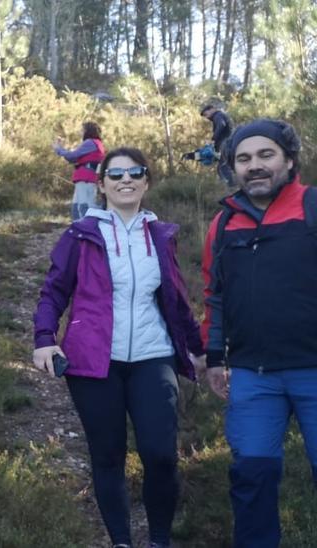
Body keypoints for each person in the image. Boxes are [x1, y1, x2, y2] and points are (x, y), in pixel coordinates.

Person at [33, 147, 206, 548]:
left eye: (135, 173)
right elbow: (53, 292)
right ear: (103, 185)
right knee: (108, 455)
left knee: (160, 455)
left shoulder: (160, 236)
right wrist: (44, 339)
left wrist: (198, 350)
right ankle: (122, 541)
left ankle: (160, 540)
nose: (125, 180)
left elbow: (176, 299)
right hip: (94, 362)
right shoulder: (81, 235)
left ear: (146, 182)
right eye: (116, 174)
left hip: (152, 356)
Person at [201, 119, 317, 548]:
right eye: (243, 159)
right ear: (232, 167)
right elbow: (214, 295)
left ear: (289, 160)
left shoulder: (313, 208)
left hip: (314, 370)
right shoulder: (223, 224)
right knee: (251, 476)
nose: (255, 166)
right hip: (254, 376)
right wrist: (214, 358)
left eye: (265, 155)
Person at [54, 121, 106, 221]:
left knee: (84, 206)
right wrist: (61, 149)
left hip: (86, 177)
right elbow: (72, 158)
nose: (80, 132)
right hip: (86, 177)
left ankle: (89, 228)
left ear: (87, 131)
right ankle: (79, 230)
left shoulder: (90, 142)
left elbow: (72, 156)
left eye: (82, 130)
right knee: (77, 207)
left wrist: (59, 149)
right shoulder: (96, 143)